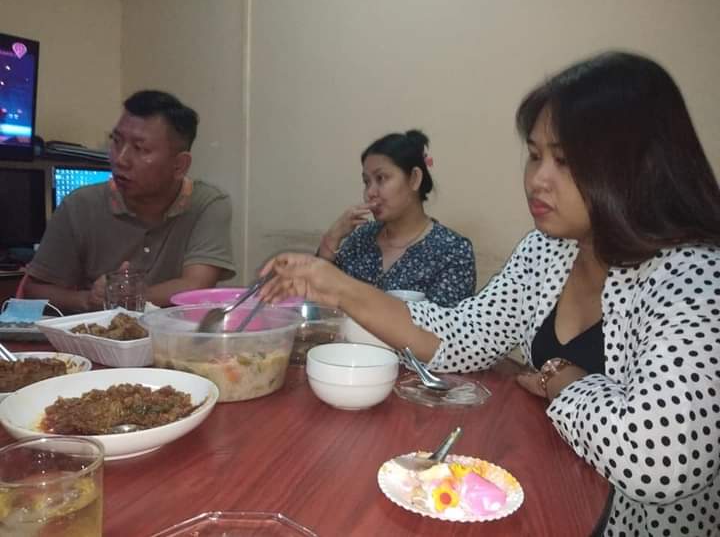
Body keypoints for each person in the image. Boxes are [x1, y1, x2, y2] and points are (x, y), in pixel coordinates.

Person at [260, 52, 720, 536]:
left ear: (638, 166)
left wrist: (562, 382)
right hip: (551, 491)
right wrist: (336, 287)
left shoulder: (695, 277)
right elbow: (462, 336)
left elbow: (661, 463)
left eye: (564, 160)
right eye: (535, 155)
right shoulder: (549, 251)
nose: (536, 179)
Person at [25, 90, 236, 312]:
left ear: (179, 165)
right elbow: (34, 290)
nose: (120, 159)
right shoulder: (79, 205)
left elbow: (196, 285)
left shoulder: (207, 203)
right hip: (101, 331)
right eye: (116, 142)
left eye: (140, 148)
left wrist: (125, 295)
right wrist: (88, 299)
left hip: (174, 332)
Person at [317, 130, 476, 307]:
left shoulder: (452, 250)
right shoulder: (361, 238)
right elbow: (318, 300)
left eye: (381, 178)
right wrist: (332, 237)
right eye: (366, 182)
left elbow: (447, 322)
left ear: (414, 179)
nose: (370, 193)